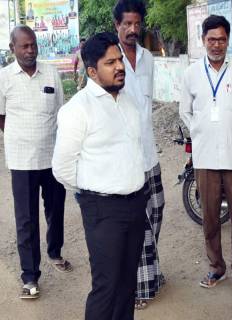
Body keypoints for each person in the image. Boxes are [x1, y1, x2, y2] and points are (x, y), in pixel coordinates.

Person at [52, 32, 147, 320]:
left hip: (135, 204)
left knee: (128, 283)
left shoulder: (128, 101)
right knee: (106, 286)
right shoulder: (77, 110)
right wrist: (90, 195)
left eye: (119, 59)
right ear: (93, 71)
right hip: (103, 209)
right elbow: (62, 167)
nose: (119, 66)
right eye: (110, 62)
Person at [179, 14, 232, 291]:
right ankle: (216, 268)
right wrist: (202, 130)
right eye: (211, 39)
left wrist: (229, 126)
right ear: (203, 41)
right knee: (210, 216)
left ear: (228, 41)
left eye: (222, 39)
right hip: (205, 156)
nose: (216, 44)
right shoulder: (191, 74)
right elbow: (185, 111)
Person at [0, 25, 71, 299]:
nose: (30, 50)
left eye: (33, 45)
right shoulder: (4, 78)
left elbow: (61, 113)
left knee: (56, 209)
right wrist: (20, 137)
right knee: (26, 219)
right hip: (21, 160)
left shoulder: (51, 72)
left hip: (52, 156)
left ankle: (55, 252)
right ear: (12, 49)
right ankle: (30, 277)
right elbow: (1, 116)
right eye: (24, 46)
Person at [113, 0, 165, 310]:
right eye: (127, 24)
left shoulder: (147, 58)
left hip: (149, 152)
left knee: (157, 210)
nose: (133, 29)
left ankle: (149, 268)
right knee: (138, 222)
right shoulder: (110, 59)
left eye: (137, 24)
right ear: (116, 25)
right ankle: (140, 285)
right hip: (124, 157)